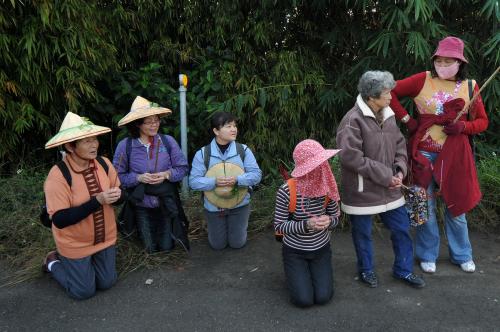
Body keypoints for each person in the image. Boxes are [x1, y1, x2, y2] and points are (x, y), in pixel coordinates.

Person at [389, 36, 488, 274]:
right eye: (439, 60)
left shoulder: (470, 86)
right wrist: (408, 120)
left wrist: (464, 127)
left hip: (456, 156)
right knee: (425, 207)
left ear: (460, 63)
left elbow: (483, 121)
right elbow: (388, 92)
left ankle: (462, 254)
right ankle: (427, 254)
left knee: (457, 208)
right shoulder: (422, 79)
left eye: (449, 61)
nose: (443, 65)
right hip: (422, 154)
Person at [336, 70, 425, 289]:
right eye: (386, 93)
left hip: (391, 187)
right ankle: (366, 269)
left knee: (402, 228)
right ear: (371, 97)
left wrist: (399, 170)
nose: (390, 97)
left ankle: (403, 270)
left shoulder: (389, 114)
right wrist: (387, 176)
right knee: (363, 232)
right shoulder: (352, 120)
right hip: (362, 189)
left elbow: (399, 145)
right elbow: (351, 158)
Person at [43, 112, 122, 300]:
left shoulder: (103, 163)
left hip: (105, 239)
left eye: (94, 139)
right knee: (83, 292)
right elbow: (60, 220)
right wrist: (97, 201)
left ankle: (84, 267)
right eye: (86, 141)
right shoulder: (58, 175)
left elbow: (119, 195)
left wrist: (119, 195)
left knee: (107, 282)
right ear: (70, 146)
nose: (94, 145)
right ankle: (52, 262)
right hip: (75, 244)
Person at [113, 96, 189, 253]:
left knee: (166, 248)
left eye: (157, 120)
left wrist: (167, 174)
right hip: (141, 205)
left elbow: (182, 168)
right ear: (137, 124)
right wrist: (137, 178)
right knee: (150, 249)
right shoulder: (126, 146)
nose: (154, 125)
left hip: (165, 203)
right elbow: (116, 176)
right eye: (149, 122)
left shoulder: (168, 141)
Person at [273, 139, 341, 307]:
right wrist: (306, 225)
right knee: (303, 300)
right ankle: (297, 273)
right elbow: (279, 226)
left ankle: (307, 275)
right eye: (315, 165)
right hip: (294, 251)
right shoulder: (287, 191)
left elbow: (335, 218)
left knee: (323, 297)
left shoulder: (328, 186)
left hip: (321, 250)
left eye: (322, 163)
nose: (321, 168)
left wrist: (329, 221)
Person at [189, 112, 262, 250]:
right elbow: (193, 182)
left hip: (240, 204)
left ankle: (237, 229)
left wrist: (238, 179)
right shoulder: (203, 154)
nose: (234, 129)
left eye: (234, 126)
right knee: (217, 245)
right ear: (216, 131)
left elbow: (256, 175)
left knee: (237, 244)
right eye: (228, 126)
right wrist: (214, 182)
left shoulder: (243, 150)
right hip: (214, 207)